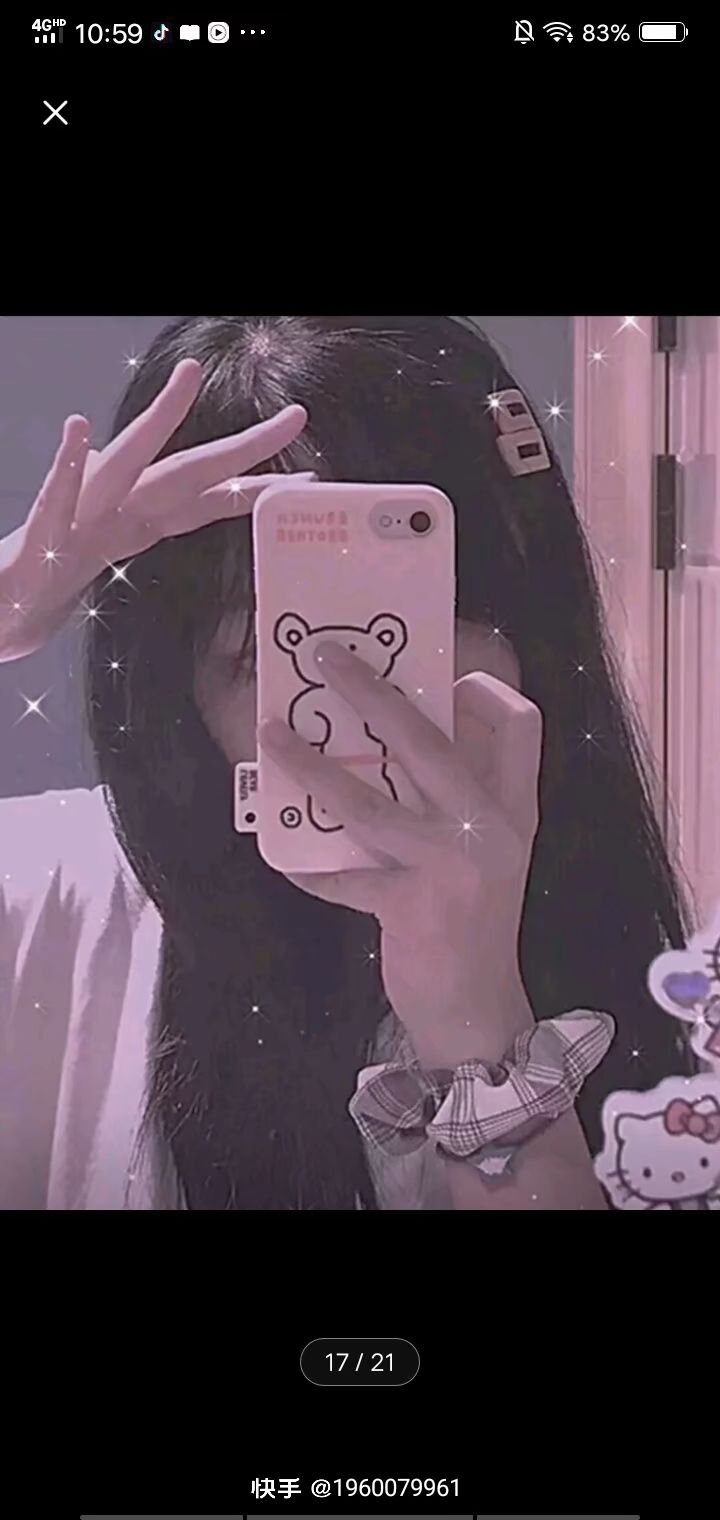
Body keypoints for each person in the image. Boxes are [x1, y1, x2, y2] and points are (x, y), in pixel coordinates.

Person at [0, 315, 695, 1211]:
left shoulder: (659, 1008)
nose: (362, 699)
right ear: (180, 688)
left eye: (419, 617)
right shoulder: (50, 898)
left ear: (530, 636)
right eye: (265, 644)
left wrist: (473, 1015)